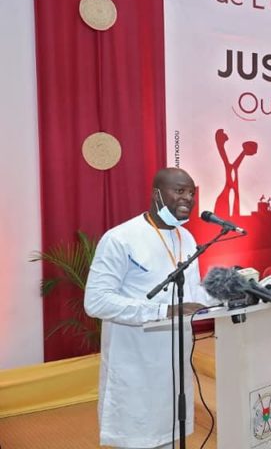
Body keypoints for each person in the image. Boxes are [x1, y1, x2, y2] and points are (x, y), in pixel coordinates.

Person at [84, 168, 215, 449]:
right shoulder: (120, 238)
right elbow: (96, 301)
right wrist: (162, 311)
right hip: (135, 365)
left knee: (170, 436)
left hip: (174, 366)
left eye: (191, 192)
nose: (188, 198)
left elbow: (191, 295)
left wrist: (226, 293)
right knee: (138, 439)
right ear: (157, 194)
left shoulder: (186, 238)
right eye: (179, 191)